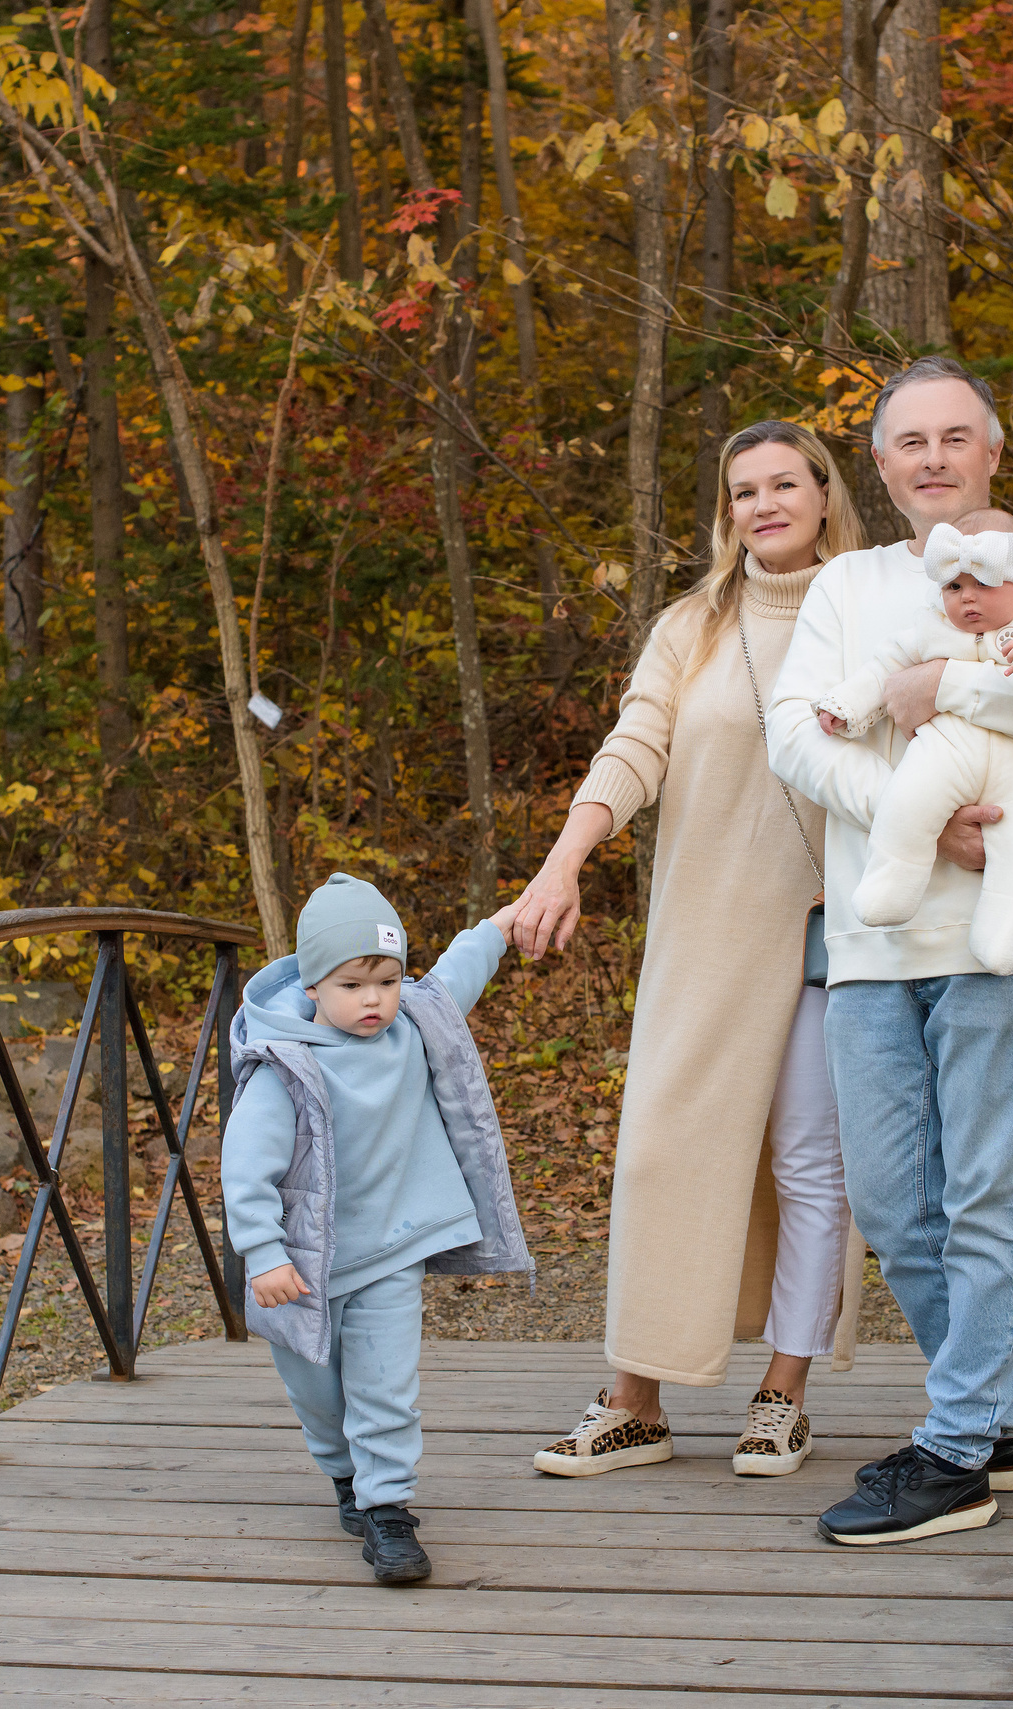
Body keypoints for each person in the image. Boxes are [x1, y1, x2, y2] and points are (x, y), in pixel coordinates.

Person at [766, 356, 1013, 1546]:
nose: (931, 457)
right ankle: (989, 1422)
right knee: (890, 1200)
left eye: (953, 437)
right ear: (877, 466)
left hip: (1012, 941)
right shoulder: (846, 583)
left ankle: (953, 1450)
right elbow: (798, 736)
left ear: (992, 449)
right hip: (875, 936)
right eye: (907, 442)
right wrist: (917, 815)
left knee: (989, 1194)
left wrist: (949, 684)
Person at [504, 420, 883, 1482]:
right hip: (702, 929)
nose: (762, 503)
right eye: (740, 490)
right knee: (661, 1151)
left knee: (812, 1165)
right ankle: (636, 1397)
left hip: (824, 931)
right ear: (726, 512)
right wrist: (561, 862)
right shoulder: (692, 624)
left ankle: (782, 1393)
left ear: (822, 492)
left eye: (782, 484)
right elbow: (637, 744)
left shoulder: (872, 608)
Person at [222, 873, 533, 1584]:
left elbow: (457, 973)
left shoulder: (413, 1023)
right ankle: (343, 1476)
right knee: (317, 1392)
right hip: (301, 1267)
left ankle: (389, 1508)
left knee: (386, 1384)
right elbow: (245, 1167)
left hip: (390, 1250)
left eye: (387, 980)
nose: (374, 999)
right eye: (353, 984)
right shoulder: (284, 1065)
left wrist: (502, 925)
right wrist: (263, 1252)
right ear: (311, 987)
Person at [812, 511, 1013, 972]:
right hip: (947, 748)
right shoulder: (932, 626)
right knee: (907, 801)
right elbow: (884, 666)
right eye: (954, 587)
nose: (967, 598)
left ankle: (1005, 932)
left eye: (984, 584)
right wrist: (846, 705)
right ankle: (891, 883)